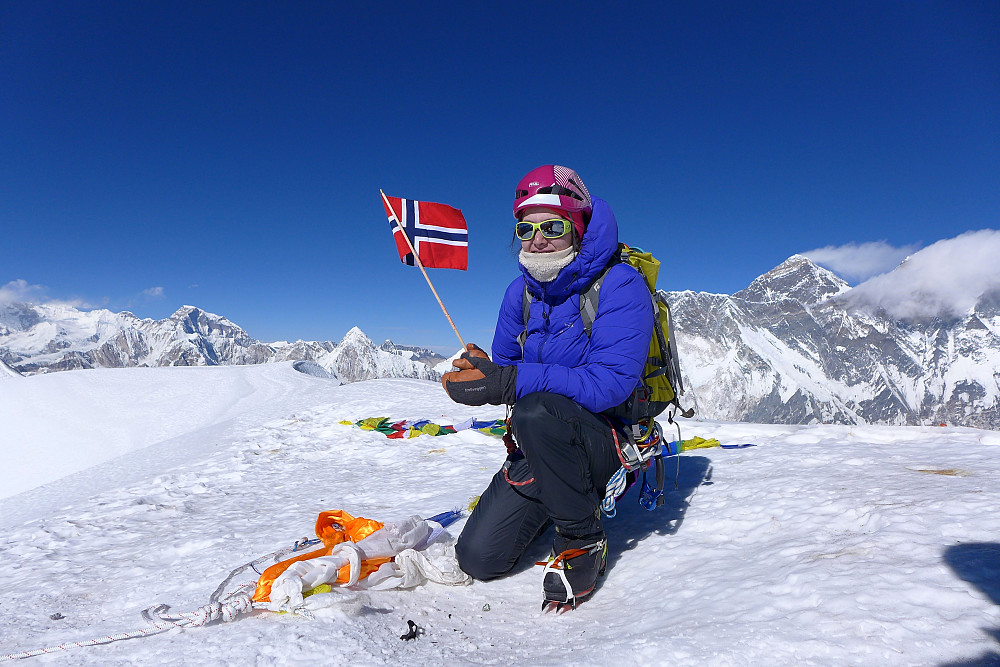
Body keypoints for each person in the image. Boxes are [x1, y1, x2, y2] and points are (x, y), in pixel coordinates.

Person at [441, 165, 654, 607]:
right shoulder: (517, 294)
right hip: (541, 443)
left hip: (607, 443)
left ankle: (583, 539)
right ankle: (556, 500)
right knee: (478, 558)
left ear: (578, 226)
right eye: (525, 227)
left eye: (552, 226)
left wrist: (514, 381)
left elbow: (610, 383)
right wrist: (489, 371)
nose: (537, 239)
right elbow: (509, 369)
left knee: (536, 409)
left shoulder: (619, 284)